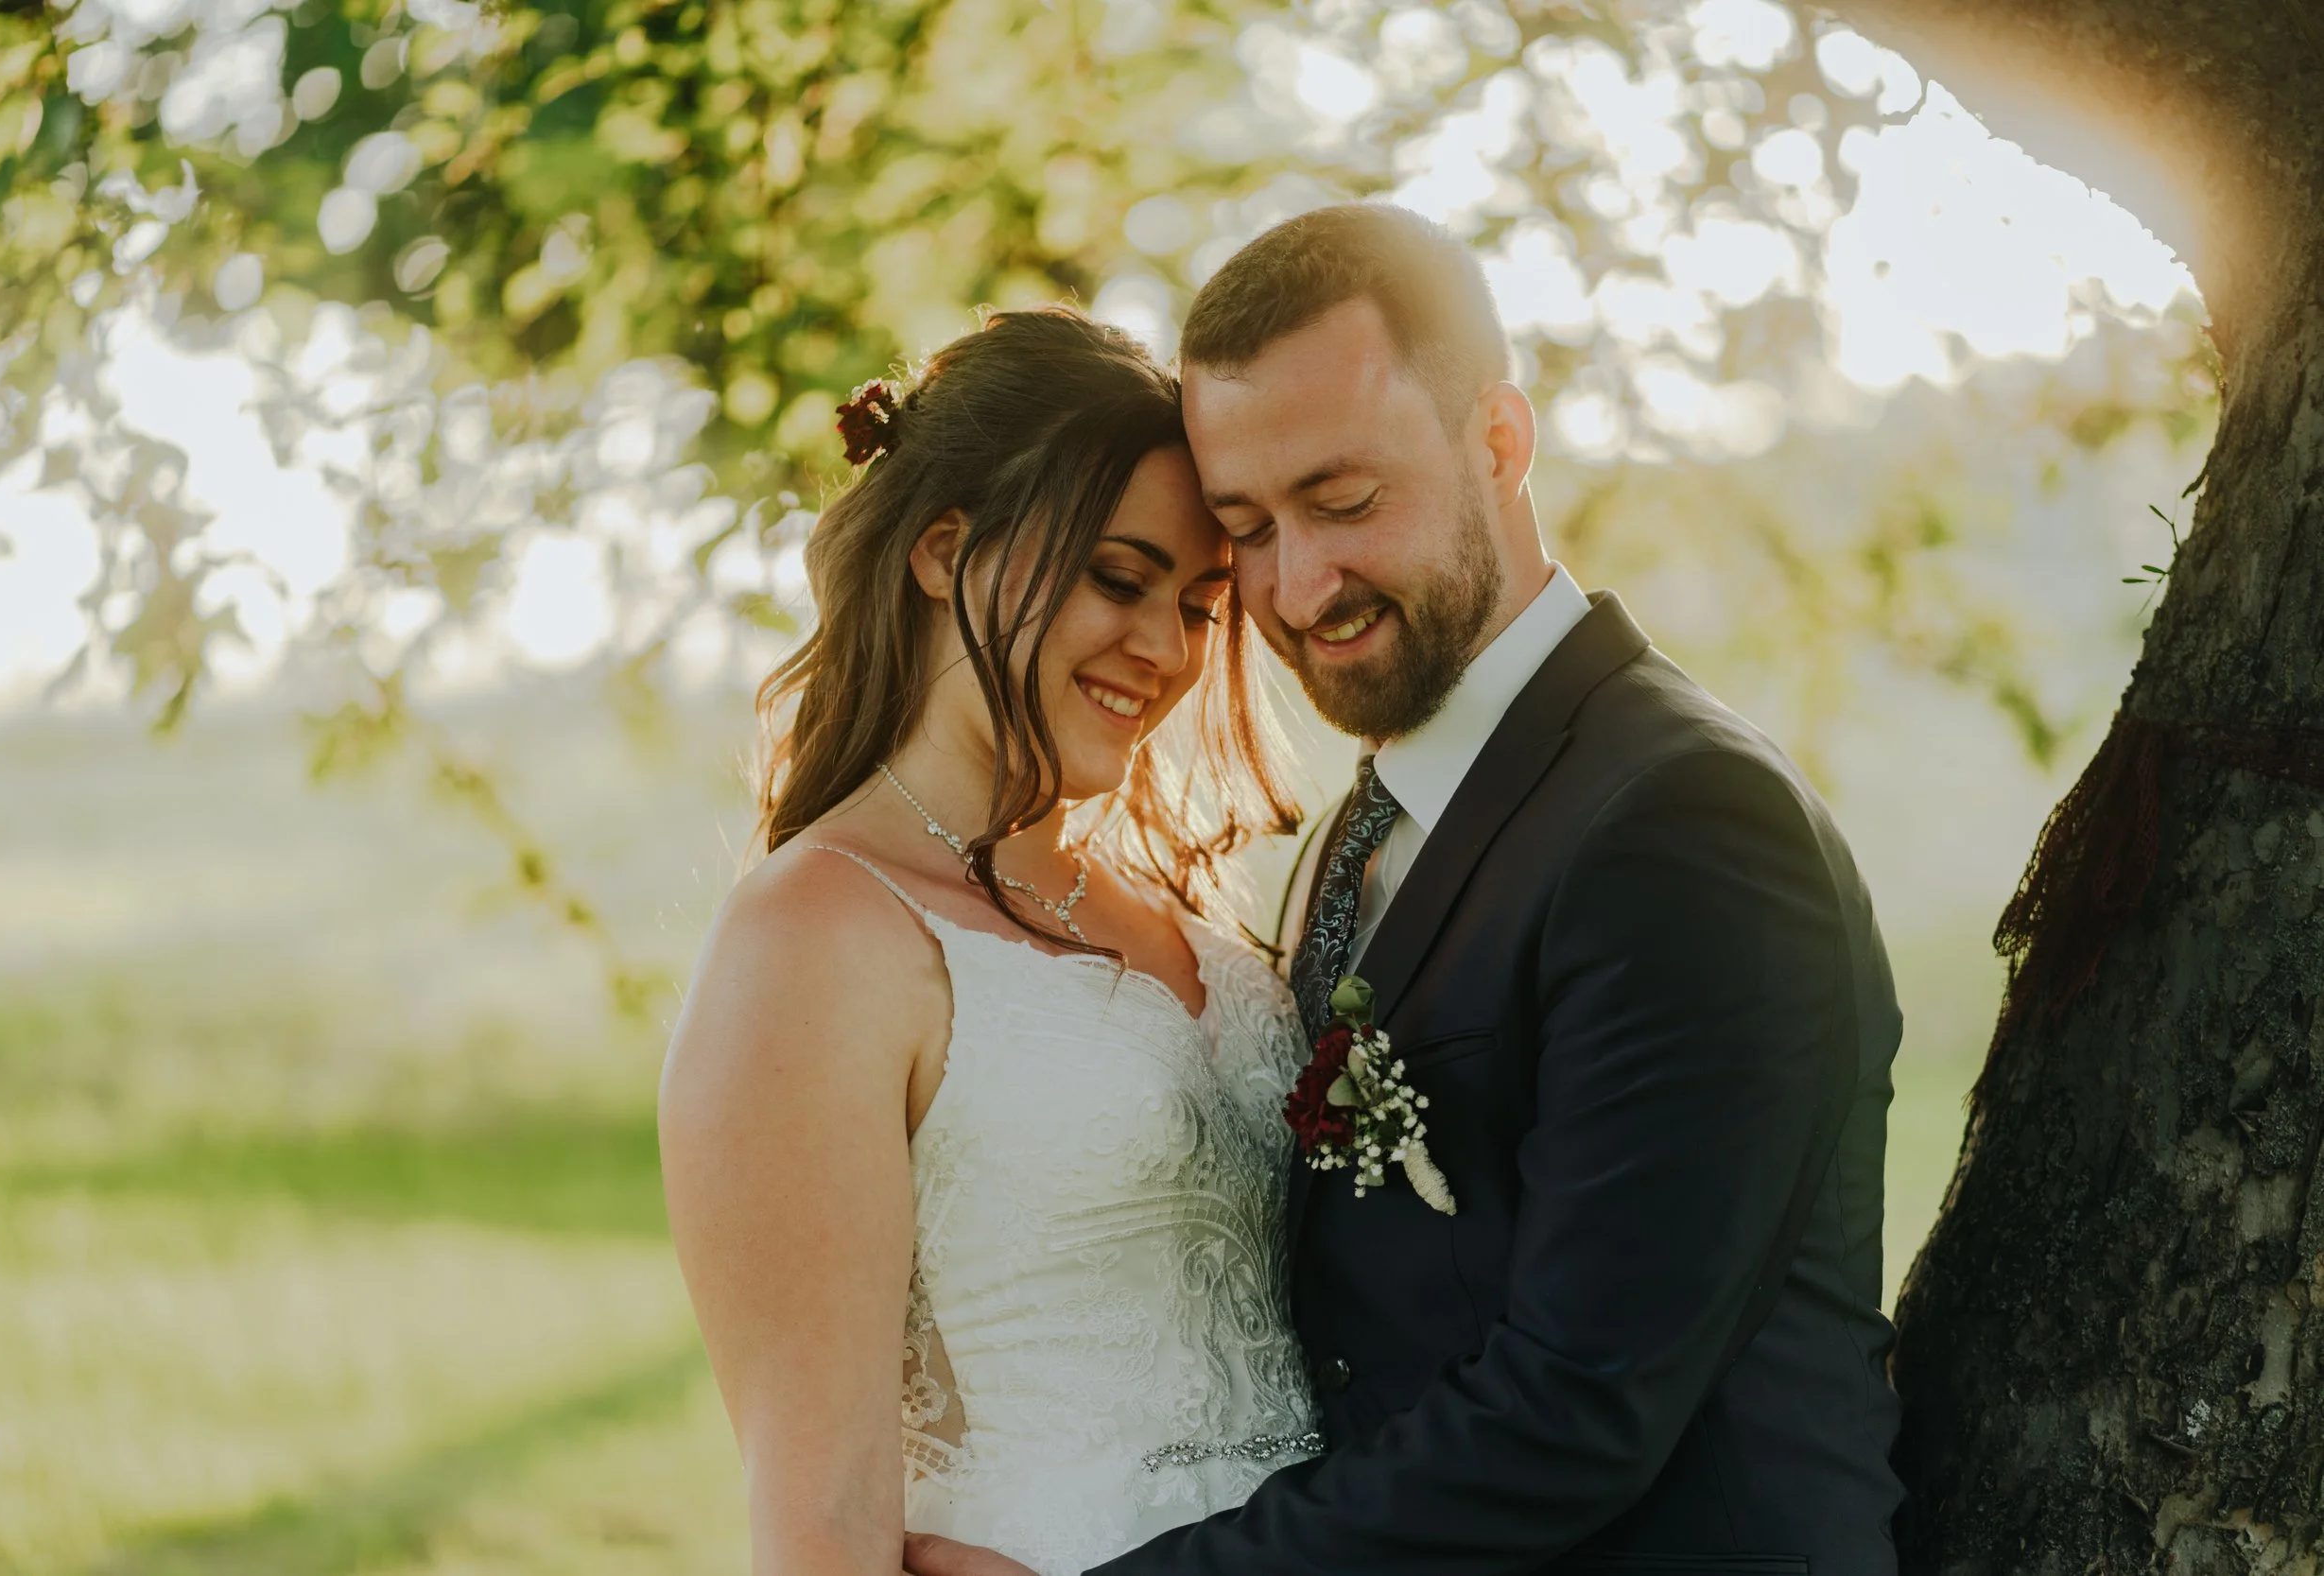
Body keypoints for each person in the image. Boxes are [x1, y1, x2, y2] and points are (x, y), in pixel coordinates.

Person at [904, 205, 1905, 1576]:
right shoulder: (1354, 834)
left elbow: (1578, 1407)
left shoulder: (1680, 820)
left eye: (1345, 501)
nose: (1299, 585)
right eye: (1246, 530)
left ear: (1499, 442)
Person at [658, 306, 1325, 1576]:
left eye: (1198, 605)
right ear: (942, 550)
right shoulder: (819, 934)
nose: (1168, 650)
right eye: (1118, 580)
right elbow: (824, 1518)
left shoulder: (1181, 912)